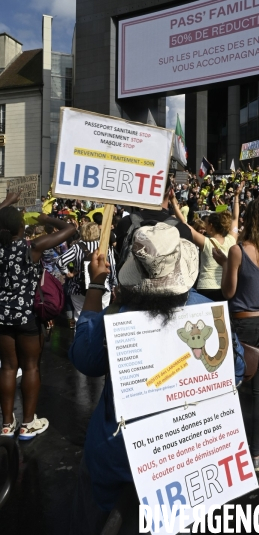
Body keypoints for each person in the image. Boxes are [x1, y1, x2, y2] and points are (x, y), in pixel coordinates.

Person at [68, 223, 207, 532]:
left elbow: (86, 358)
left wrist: (95, 286)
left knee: (97, 518)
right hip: (183, 447)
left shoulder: (118, 315)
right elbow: (237, 369)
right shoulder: (208, 312)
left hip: (116, 447)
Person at [213, 198, 259, 471]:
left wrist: (225, 265)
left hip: (244, 325)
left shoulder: (238, 251)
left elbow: (228, 293)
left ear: (249, 220)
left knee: (237, 386)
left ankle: (235, 447)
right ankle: (255, 454)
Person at [0, 200, 76, 438]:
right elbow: (71, 229)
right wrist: (46, 220)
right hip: (27, 316)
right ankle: (28, 423)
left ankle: (6, 423)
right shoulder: (33, 246)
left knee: (8, 368)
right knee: (31, 366)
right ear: (22, 226)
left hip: (2, 315)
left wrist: (6, 204)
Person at [171, 183, 242, 302]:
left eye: (207, 223)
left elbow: (184, 223)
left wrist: (173, 201)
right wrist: (237, 196)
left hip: (206, 288)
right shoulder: (231, 240)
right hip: (226, 287)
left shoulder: (206, 243)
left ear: (211, 226)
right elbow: (235, 218)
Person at [56, 222, 117, 324]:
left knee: (80, 317)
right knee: (102, 317)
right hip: (102, 285)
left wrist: (68, 273)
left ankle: (81, 338)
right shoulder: (104, 247)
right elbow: (112, 267)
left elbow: (60, 261)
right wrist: (113, 284)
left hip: (78, 287)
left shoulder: (77, 247)